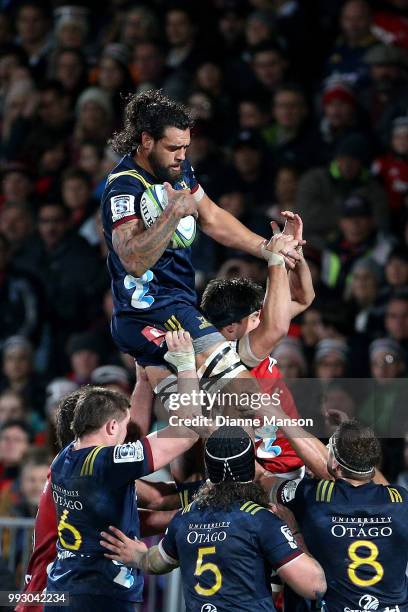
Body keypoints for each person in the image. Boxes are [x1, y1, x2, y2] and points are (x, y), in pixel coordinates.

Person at [101, 89, 301, 409]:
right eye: (174, 148)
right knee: (248, 398)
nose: (182, 155)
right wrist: (172, 215)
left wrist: (268, 248)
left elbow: (212, 218)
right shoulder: (123, 187)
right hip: (154, 311)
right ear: (147, 141)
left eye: (186, 147)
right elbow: (133, 260)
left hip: (174, 305)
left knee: (199, 420)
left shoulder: (177, 170)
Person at [46, 331, 204, 611]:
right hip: (102, 596)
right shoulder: (106, 463)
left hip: (65, 589)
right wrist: (185, 365)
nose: (128, 435)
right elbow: (189, 430)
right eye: (123, 426)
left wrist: (142, 374)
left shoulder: (64, 458)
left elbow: (134, 508)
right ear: (110, 427)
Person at [100, 425, 327, 612]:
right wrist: (295, 531)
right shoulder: (261, 520)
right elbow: (314, 585)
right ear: (251, 469)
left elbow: (156, 562)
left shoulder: (185, 518)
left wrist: (137, 556)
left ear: (208, 470)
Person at [271, 420, 408, 612]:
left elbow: (277, 492)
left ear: (334, 462)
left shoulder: (313, 496)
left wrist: (293, 528)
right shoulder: (400, 499)